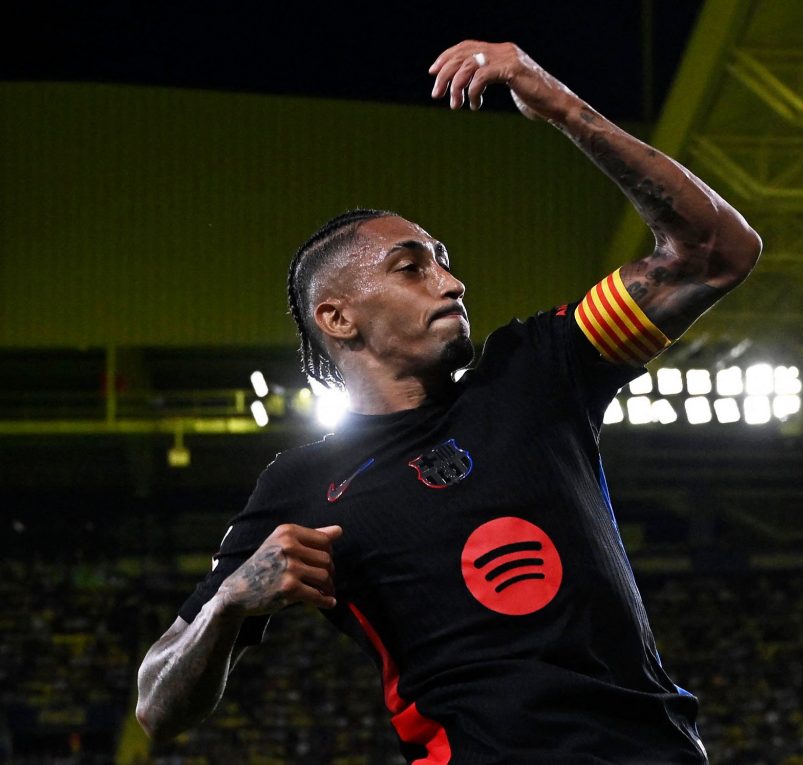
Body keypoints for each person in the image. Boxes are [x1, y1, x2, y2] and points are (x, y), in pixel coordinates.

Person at [136, 40, 762, 764]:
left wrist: (558, 105)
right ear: (338, 317)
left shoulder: (536, 372)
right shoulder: (302, 485)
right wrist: (227, 606)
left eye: (445, 262)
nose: (452, 283)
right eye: (412, 268)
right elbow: (156, 705)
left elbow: (716, 252)